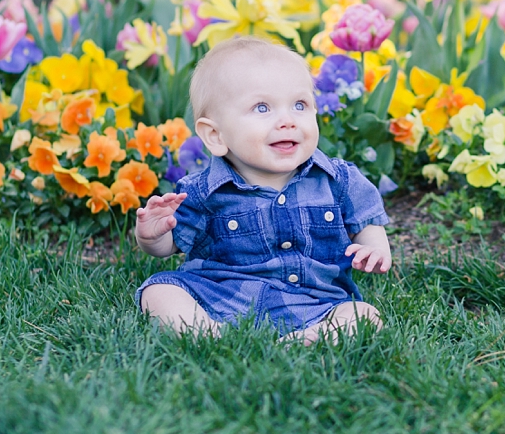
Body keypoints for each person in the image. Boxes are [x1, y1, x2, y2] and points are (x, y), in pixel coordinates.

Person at [134, 36, 391, 343]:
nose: (287, 121)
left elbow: (367, 220)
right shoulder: (202, 192)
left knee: (365, 316)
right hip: (221, 293)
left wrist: (375, 247)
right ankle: (208, 333)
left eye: (300, 105)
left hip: (315, 302)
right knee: (158, 291)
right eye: (262, 108)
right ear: (215, 135)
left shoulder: (338, 180)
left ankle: (306, 340)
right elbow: (169, 247)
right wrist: (152, 236)